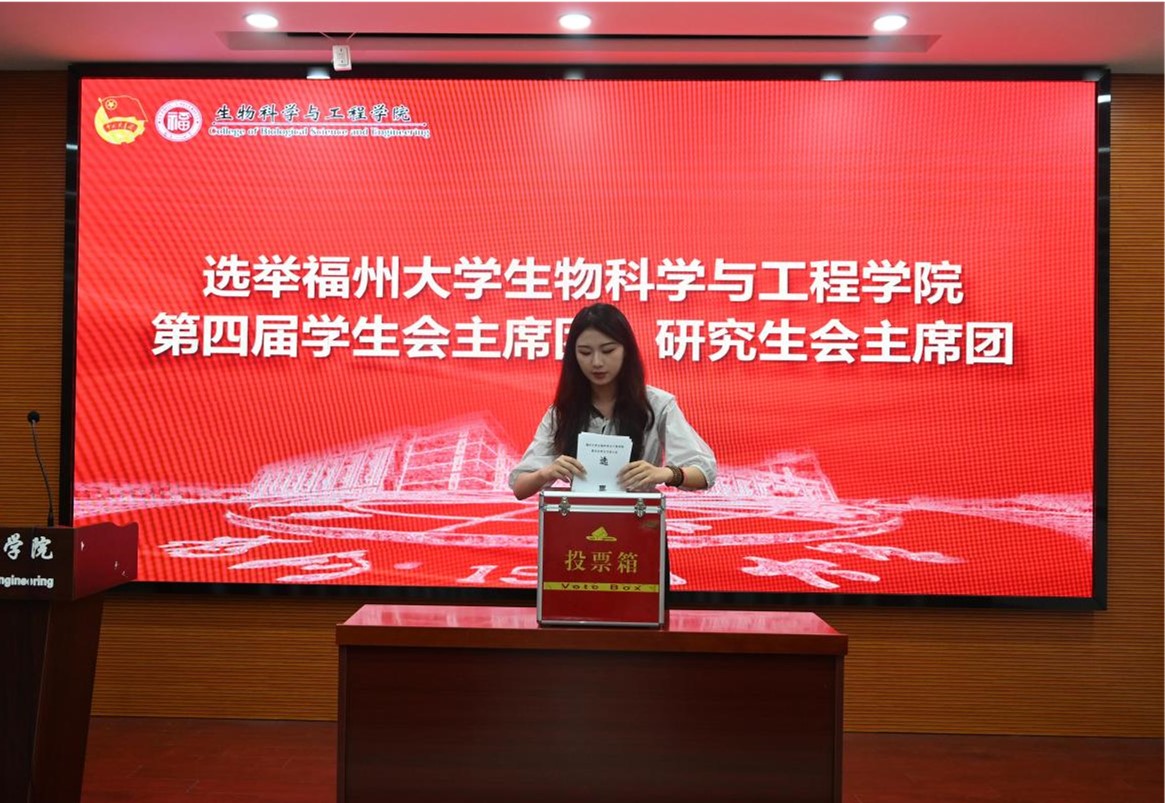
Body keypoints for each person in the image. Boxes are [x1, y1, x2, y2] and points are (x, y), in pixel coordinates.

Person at [509, 303, 717, 501]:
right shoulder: (563, 411)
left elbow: (703, 473)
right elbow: (520, 487)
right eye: (585, 352)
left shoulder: (658, 405)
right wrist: (546, 472)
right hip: (578, 519)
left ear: (627, 351)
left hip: (639, 519)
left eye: (608, 351)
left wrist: (665, 473)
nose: (597, 362)